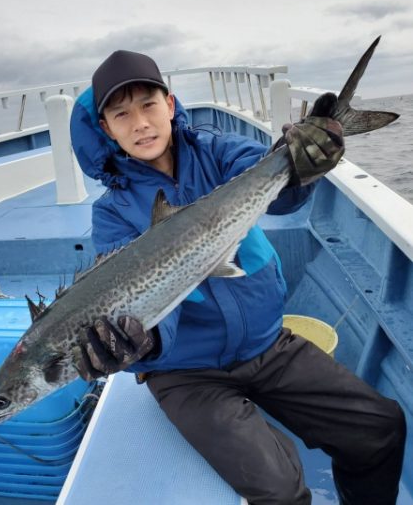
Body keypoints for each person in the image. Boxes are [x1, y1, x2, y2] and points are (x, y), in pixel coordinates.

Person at [69, 50, 405, 505]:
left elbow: (278, 193)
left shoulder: (218, 151)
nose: (140, 123)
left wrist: (302, 165)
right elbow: (143, 296)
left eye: (148, 105)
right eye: (121, 114)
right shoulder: (112, 214)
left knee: (379, 427)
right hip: (186, 373)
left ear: (170, 105)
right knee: (280, 489)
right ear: (106, 129)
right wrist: (143, 342)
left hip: (267, 346)